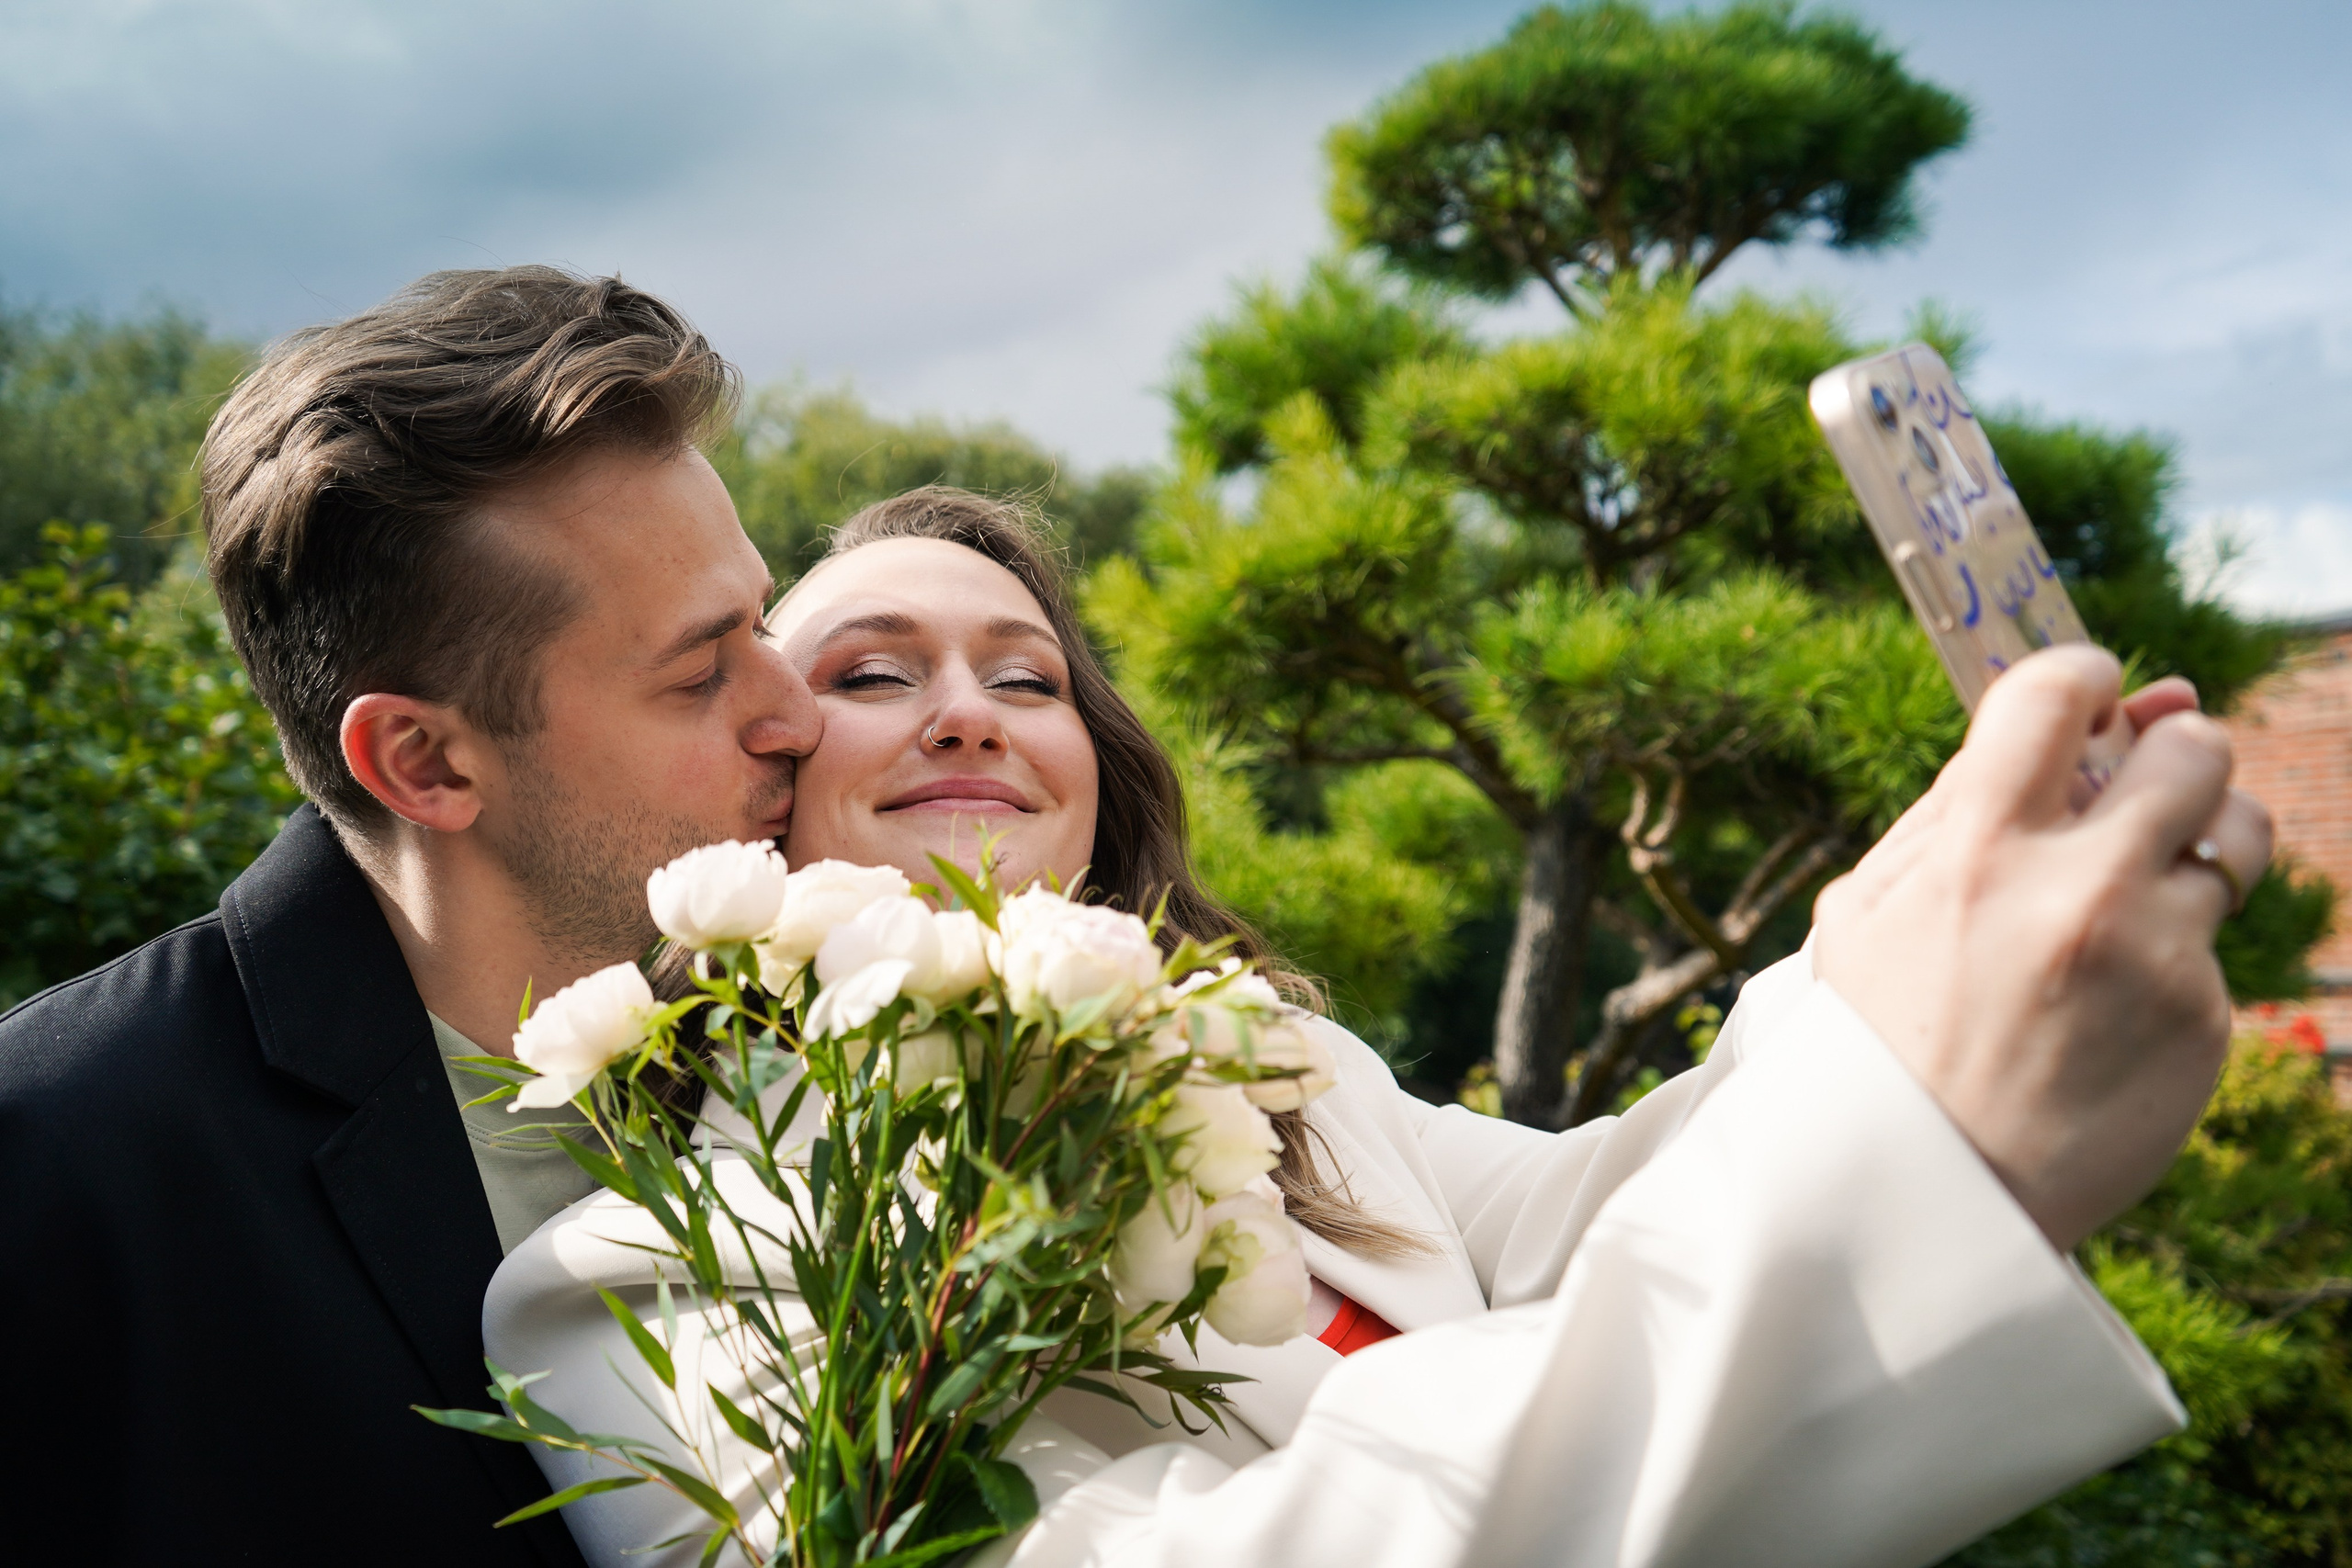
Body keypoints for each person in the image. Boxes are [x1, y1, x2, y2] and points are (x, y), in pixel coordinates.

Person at [485, 487, 2273, 1567]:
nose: (966, 712)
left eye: (1026, 678)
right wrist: (1924, 1143)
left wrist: (1907, 930)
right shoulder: (632, 1274)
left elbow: (1600, 1214)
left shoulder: (1289, 1072)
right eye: (868, 674)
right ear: (758, 801)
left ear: (1097, 793)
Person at [0, 268, 821, 1563]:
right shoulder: (57, 1166)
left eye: (763, 623)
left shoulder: (847, 1047)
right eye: (702, 669)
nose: (798, 713)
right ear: (425, 765)